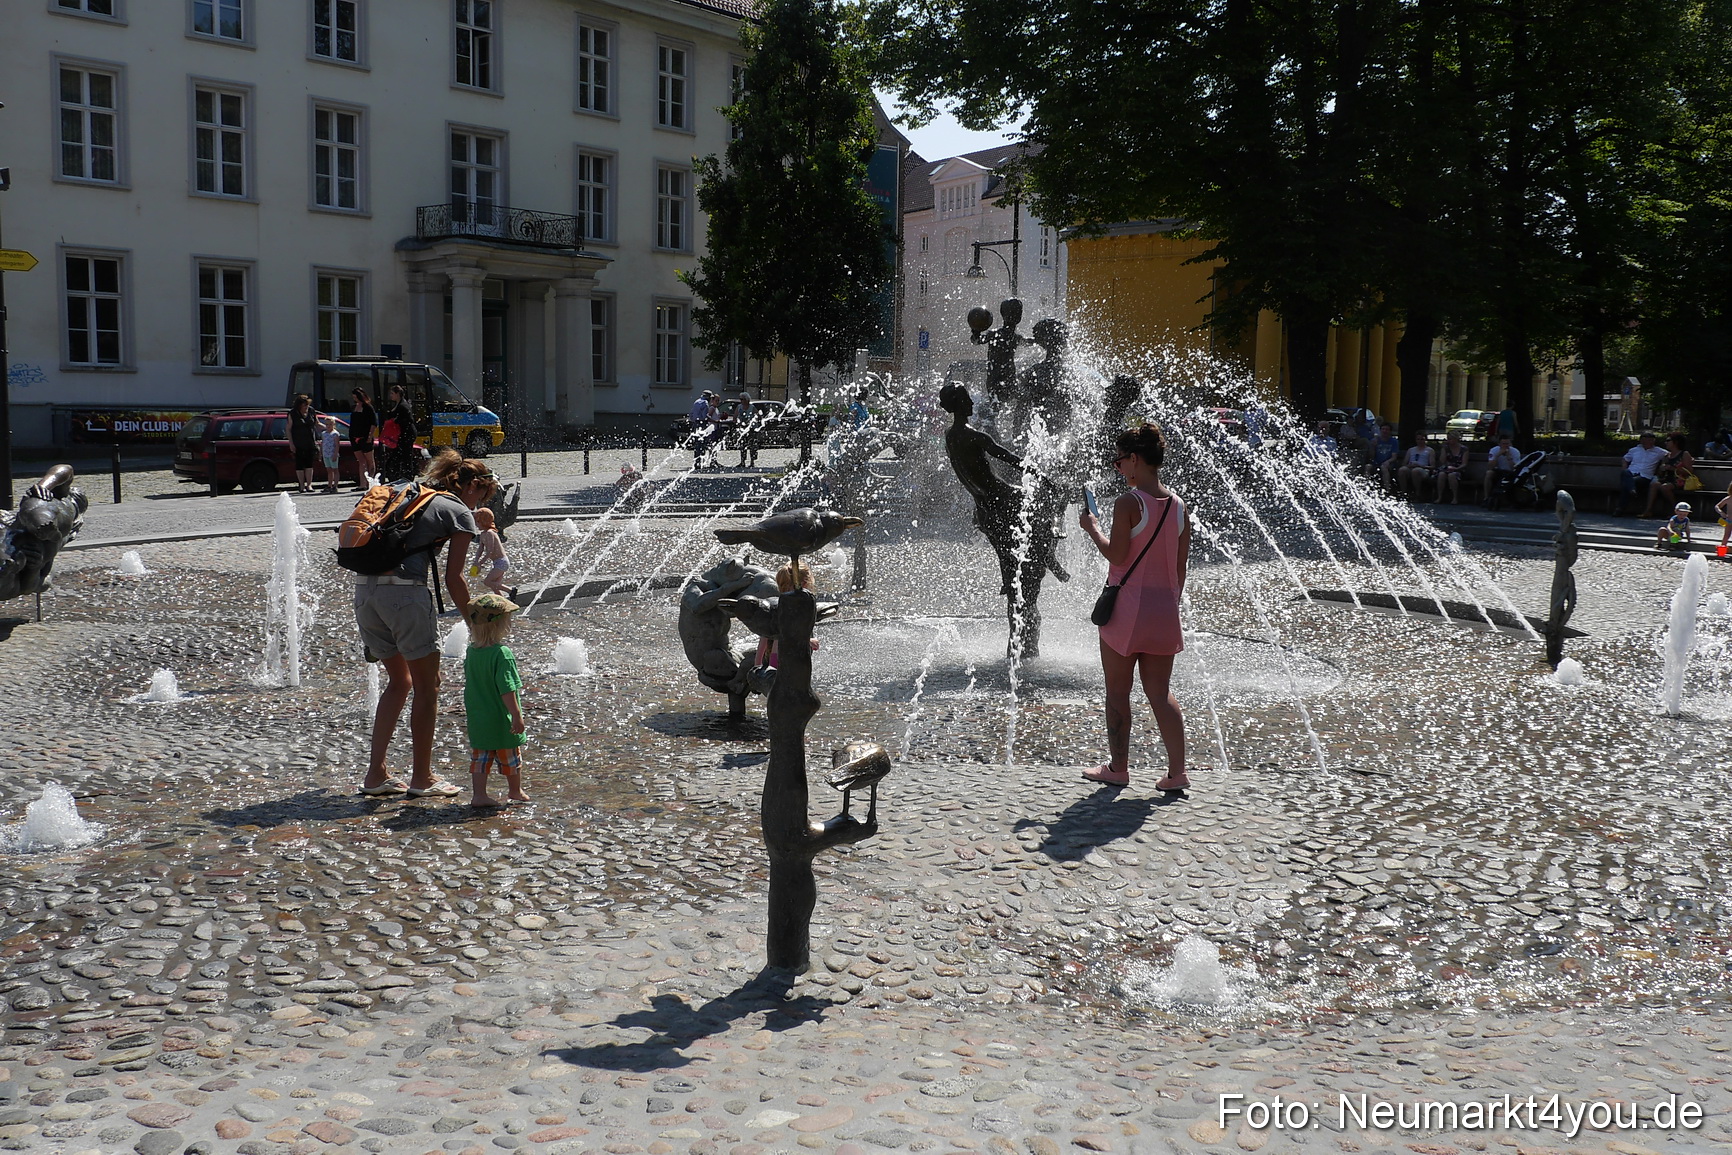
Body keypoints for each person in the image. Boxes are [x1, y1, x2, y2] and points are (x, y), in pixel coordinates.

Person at [356, 450, 498, 799]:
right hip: (405, 598)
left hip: (365, 592)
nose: (481, 504)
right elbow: (455, 580)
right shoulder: (457, 511)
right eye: (483, 495)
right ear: (473, 487)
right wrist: (479, 629)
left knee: (399, 681)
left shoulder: (408, 493)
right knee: (428, 686)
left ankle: (376, 775)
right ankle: (423, 778)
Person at [1077, 422, 1190, 791]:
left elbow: (1117, 554)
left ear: (1136, 459)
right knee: (1160, 693)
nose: (1118, 467)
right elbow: (1180, 569)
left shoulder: (1129, 502)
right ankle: (1177, 774)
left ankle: (1118, 768)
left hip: (1126, 610)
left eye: (1120, 461)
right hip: (1163, 612)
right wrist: (1168, 603)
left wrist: (1092, 528)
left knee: (1117, 692)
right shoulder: (1178, 507)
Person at [463, 593, 527, 808]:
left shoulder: (471, 652)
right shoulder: (502, 654)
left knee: (480, 758)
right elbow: (507, 689)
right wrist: (516, 716)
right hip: (500, 718)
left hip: (478, 716)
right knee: (511, 757)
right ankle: (515, 791)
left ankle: (479, 795)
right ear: (500, 625)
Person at [754, 562, 819, 669]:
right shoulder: (794, 607)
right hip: (785, 660)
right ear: (804, 583)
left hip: (776, 659)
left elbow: (765, 634)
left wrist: (757, 664)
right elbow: (786, 632)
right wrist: (807, 641)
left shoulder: (779, 603)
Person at [1618, 432, 1666, 516]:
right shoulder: (1634, 450)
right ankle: (1632, 490)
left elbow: (1670, 455)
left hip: (1645, 476)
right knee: (1625, 472)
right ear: (1641, 441)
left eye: (1651, 440)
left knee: (1627, 483)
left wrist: (1664, 464)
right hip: (1631, 473)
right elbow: (1625, 459)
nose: (1648, 442)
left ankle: (1620, 508)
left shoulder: (1658, 451)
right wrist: (1624, 467)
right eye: (1646, 440)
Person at [1650, 433, 1696, 518]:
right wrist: (1661, 469)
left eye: (1668, 441)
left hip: (1680, 480)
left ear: (1676, 442)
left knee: (1665, 487)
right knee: (1654, 485)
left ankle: (1675, 509)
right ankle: (1648, 510)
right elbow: (1660, 473)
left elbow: (1689, 471)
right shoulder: (1667, 456)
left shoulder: (1684, 454)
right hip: (1666, 478)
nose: (1666, 443)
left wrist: (1672, 468)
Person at [381, 384, 419, 481]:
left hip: (406, 434)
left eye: (392, 393)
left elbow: (409, 419)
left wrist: (397, 420)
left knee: (405, 456)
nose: (391, 395)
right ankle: (399, 476)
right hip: (402, 435)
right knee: (398, 456)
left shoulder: (403, 405)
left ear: (398, 394)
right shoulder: (399, 404)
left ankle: (407, 477)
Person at [470, 507, 511, 595]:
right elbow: (480, 548)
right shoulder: (483, 534)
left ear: (484, 521)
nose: (476, 525)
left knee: (487, 582)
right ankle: (502, 602)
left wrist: (480, 563)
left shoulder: (490, 533)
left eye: (478, 522)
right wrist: (476, 560)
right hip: (497, 562)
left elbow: (490, 551)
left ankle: (510, 591)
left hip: (502, 562)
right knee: (494, 586)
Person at [288, 394, 319, 493]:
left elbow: (317, 423)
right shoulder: (293, 413)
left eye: (307, 405)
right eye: (304, 405)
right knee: (300, 465)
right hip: (298, 443)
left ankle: (309, 485)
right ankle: (301, 485)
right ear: (299, 405)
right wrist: (291, 443)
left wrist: (330, 427)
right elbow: (288, 429)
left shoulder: (311, 411)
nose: (306, 407)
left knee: (309, 464)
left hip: (310, 442)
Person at [349, 388, 377, 486]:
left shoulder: (368, 407)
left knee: (370, 461)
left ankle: (371, 482)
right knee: (361, 461)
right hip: (354, 437)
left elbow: (373, 423)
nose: (354, 399)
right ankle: (362, 484)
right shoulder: (354, 407)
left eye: (355, 396)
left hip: (365, 437)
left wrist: (370, 436)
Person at [1481, 434, 1522, 504]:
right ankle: (1486, 498)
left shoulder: (1515, 452)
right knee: (1489, 473)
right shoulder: (1494, 450)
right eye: (1503, 444)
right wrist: (1497, 455)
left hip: (1510, 473)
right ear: (1499, 444)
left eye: (1507, 444)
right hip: (1498, 471)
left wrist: (1509, 457)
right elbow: (1490, 466)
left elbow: (1515, 468)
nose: (1506, 446)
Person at [1397, 433, 1436, 499]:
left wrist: (1421, 466)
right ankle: (1403, 493)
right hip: (1410, 468)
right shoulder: (1411, 450)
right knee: (1402, 470)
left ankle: (1417, 493)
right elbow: (1404, 463)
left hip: (1423, 469)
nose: (1420, 441)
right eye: (1418, 439)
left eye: (1422, 439)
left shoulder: (1430, 450)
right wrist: (1409, 466)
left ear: (1425, 440)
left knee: (1416, 471)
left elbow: (1433, 466)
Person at [1435, 431, 1468, 503]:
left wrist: (1456, 469)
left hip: (1458, 469)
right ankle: (1439, 496)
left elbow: (1464, 463)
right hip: (1447, 468)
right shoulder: (1446, 448)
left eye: (1451, 439)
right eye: (1448, 439)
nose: (1449, 441)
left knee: (1452, 475)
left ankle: (1455, 497)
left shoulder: (1464, 449)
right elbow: (1442, 461)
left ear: (1456, 439)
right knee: (1441, 474)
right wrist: (1443, 449)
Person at [319, 414, 343, 494]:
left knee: (335, 470)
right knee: (329, 470)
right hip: (326, 454)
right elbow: (322, 443)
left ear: (333, 425)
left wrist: (335, 454)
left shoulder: (335, 434)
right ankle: (329, 485)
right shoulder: (324, 433)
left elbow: (337, 445)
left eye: (330, 424)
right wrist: (321, 453)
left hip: (332, 454)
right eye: (327, 424)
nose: (328, 426)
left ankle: (335, 486)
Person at [1371, 422, 1400, 489]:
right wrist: (1373, 447)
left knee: (1384, 467)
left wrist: (1388, 461)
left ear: (1390, 431)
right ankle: (1366, 487)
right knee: (1367, 467)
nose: (1385, 431)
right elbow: (1371, 456)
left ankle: (1387, 489)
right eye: (1383, 429)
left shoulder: (1394, 441)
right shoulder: (1375, 440)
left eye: (1387, 429)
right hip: (1377, 462)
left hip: (1389, 463)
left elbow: (1394, 457)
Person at [1717, 483, 1732, 558]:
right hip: (1729, 521)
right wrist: (1721, 513)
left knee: (1726, 536)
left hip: (1729, 520)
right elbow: (1717, 506)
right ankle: (1722, 550)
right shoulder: (1728, 499)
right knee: (1726, 536)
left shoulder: (1729, 499)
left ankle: (1723, 549)